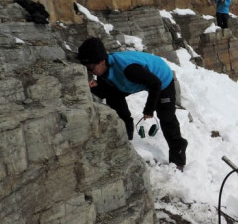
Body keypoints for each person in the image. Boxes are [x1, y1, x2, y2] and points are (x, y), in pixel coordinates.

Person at [77, 37, 188, 170]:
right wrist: (94, 87)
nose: (90, 72)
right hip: (132, 81)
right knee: (113, 98)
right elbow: (105, 93)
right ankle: (127, 136)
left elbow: (155, 84)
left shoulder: (129, 69)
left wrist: (149, 109)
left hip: (161, 78)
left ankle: (178, 159)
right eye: (86, 68)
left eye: (91, 68)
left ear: (101, 61)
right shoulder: (103, 70)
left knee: (166, 117)